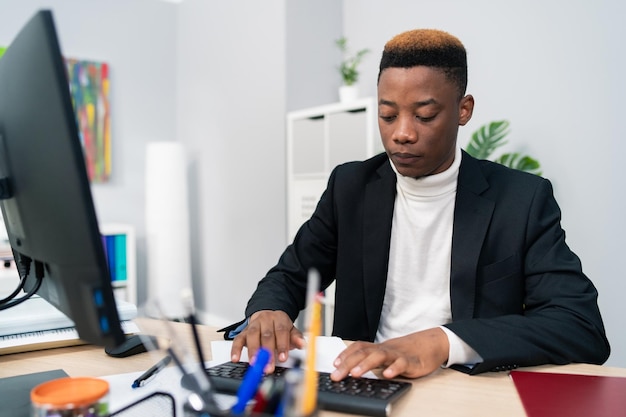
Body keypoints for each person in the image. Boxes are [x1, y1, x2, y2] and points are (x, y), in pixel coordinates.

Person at [224, 28, 610, 380]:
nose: (402, 134)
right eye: (387, 115)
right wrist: (267, 312)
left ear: (463, 110)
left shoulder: (520, 200)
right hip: (363, 382)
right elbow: (291, 275)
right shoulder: (351, 187)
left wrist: (441, 342)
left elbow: (579, 325)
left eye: (425, 115)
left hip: (462, 388)